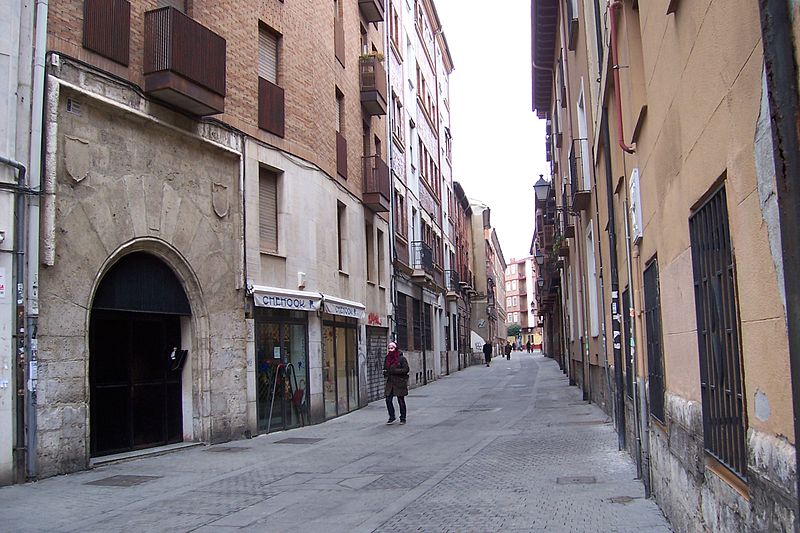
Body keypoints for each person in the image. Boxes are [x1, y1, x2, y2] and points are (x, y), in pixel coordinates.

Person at [384, 341, 409, 424]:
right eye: (389, 348)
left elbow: (406, 369)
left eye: (392, 348)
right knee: (388, 399)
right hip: (390, 382)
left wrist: (396, 371)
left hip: (399, 382)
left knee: (400, 400)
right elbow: (385, 367)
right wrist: (385, 372)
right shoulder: (387, 358)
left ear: (396, 348)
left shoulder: (401, 358)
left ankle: (403, 417)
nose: (390, 350)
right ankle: (391, 416)